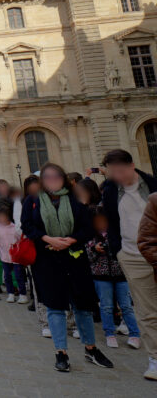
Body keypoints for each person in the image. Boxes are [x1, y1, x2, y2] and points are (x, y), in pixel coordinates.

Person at [23, 162, 111, 372]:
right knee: (54, 307)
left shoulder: (74, 200)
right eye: (48, 177)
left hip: (74, 258)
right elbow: (27, 226)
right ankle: (60, 352)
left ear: (63, 178)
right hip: (47, 260)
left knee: (83, 306)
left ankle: (91, 348)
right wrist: (47, 239)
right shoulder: (32, 201)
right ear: (42, 181)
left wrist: (70, 240)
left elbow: (88, 228)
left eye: (56, 176)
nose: (52, 180)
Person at [98, 148, 157, 380]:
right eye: (113, 173)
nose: (117, 176)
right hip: (132, 256)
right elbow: (111, 222)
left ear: (132, 166)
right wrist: (119, 251)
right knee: (147, 311)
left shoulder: (153, 185)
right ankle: (154, 358)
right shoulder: (111, 191)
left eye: (120, 171)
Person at [87, 208, 142, 350]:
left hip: (121, 274)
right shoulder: (90, 236)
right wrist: (95, 249)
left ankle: (134, 334)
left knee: (126, 306)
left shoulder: (119, 234)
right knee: (106, 306)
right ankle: (109, 333)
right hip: (101, 275)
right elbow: (88, 258)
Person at [0, 207, 28, 303]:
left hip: (16, 256)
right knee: (7, 276)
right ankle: (10, 293)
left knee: (18, 275)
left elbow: (20, 240)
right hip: (4, 256)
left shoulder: (15, 228)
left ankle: (23, 294)